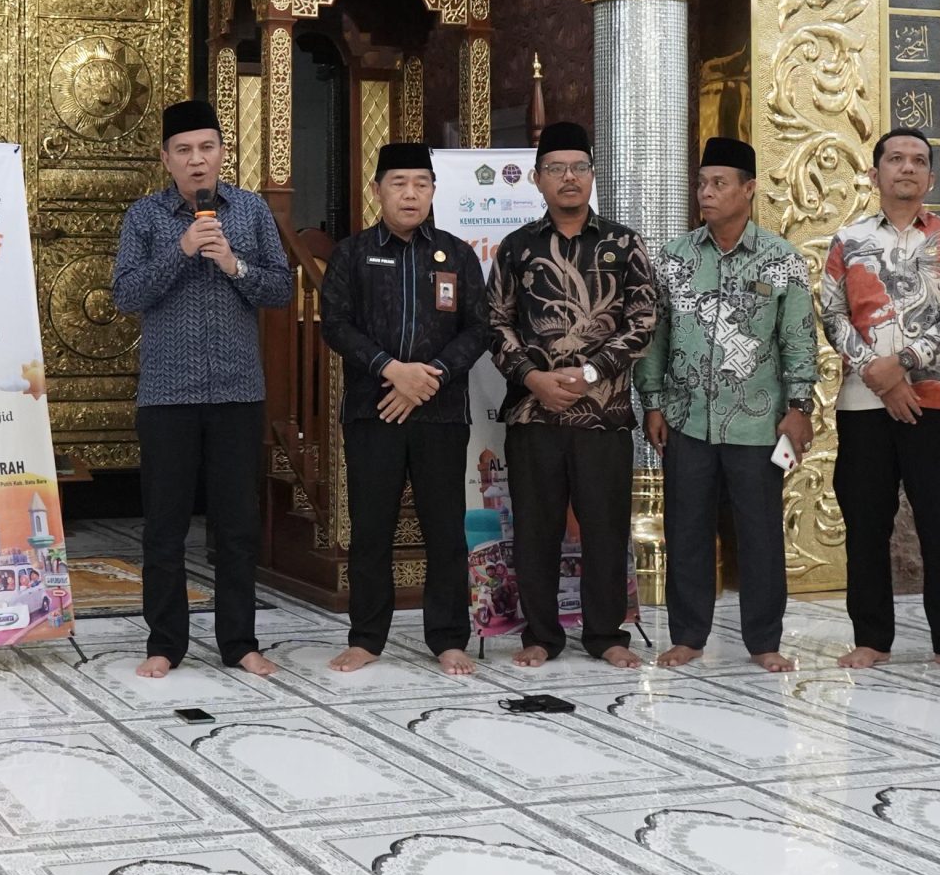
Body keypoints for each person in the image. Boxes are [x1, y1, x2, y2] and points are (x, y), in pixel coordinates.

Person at [111, 101, 292, 676]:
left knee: (238, 526)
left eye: (206, 148)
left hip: (238, 392)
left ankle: (240, 642)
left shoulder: (251, 210)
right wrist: (182, 249)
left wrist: (235, 265)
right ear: (166, 158)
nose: (197, 160)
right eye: (184, 150)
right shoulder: (144, 217)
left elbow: (281, 289)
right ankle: (165, 644)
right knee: (165, 527)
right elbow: (127, 294)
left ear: (221, 152)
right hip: (167, 395)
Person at [637, 137, 817, 673]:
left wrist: (799, 407)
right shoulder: (675, 258)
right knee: (686, 529)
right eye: (702, 183)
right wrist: (652, 403)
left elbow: (798, 340)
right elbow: (655, 338)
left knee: (759, 534)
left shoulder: (781, 260)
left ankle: (764, 641)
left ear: (749, 189)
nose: (706, 193)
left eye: (719, 184)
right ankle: (688, 636)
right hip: (686, 417)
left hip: (758, 424)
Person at [486, 121, 660, 669]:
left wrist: (589, 374)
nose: (569, 178)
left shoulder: (624, 243)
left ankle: (606, 635)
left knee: (605, 528)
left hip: (603, 416)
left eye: (579, 167)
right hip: (533, 414)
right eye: (556, 169)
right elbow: (495, 322)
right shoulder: (517, 247)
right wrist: (533, 378)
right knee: (534, 531)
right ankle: (541, 635)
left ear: (592, 175)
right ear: (537, 178)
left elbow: (643, 320)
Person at [819, 129, 940, 673]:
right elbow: (831, 315)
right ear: (876, 174)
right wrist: (880, 375)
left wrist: (905, 362)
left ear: (930, 177)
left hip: (938, 403)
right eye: (896, 159)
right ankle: (871, 638)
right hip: (863, 404)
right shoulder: (848, 240)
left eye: (918, 160)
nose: (907, 167)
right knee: (866, 523)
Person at [319, 142, 487, 676]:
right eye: (398, 183)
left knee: (446, 529)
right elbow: (335, 324)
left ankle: (449, 638)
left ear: (434, 190)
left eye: (421, 183)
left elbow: (479, 329)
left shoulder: (457, 255)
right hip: (374, 411)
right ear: (377, 191)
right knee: (372, 529)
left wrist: (427, 377)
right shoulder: (352, 254)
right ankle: (367, 637)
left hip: (441, 413)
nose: (410, 194)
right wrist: (391, 370)